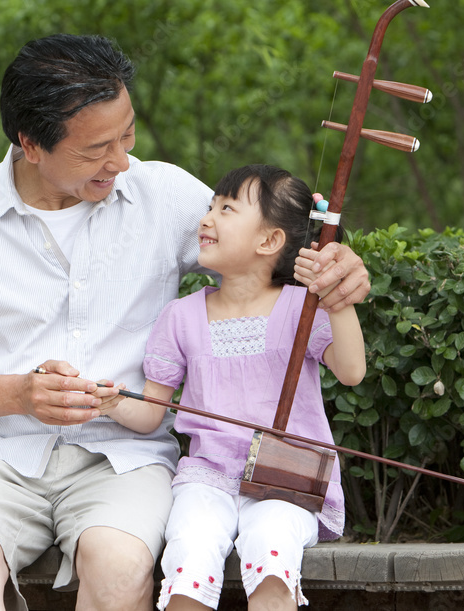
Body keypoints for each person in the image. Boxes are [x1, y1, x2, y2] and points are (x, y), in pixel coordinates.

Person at [0, 34, 371, 611]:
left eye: (128, 134)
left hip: (124, 458)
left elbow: (262, 249)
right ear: (30, 144)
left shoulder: (163, 194)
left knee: (118, 569)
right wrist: (21, 394)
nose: (120, 160)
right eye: (96, 149)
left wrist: (338, 267)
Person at [98, 164, 366, 610]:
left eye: (226, 208)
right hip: (208, 479)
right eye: (209, 207)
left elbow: (352, 370)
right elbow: (149, 413)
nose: (207, 218)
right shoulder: (180, 316)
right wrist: (110, 401)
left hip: (287, 480)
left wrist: (333, 292)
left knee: (272, 548)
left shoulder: (304, 306)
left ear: (269, 241)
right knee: (189, 551)